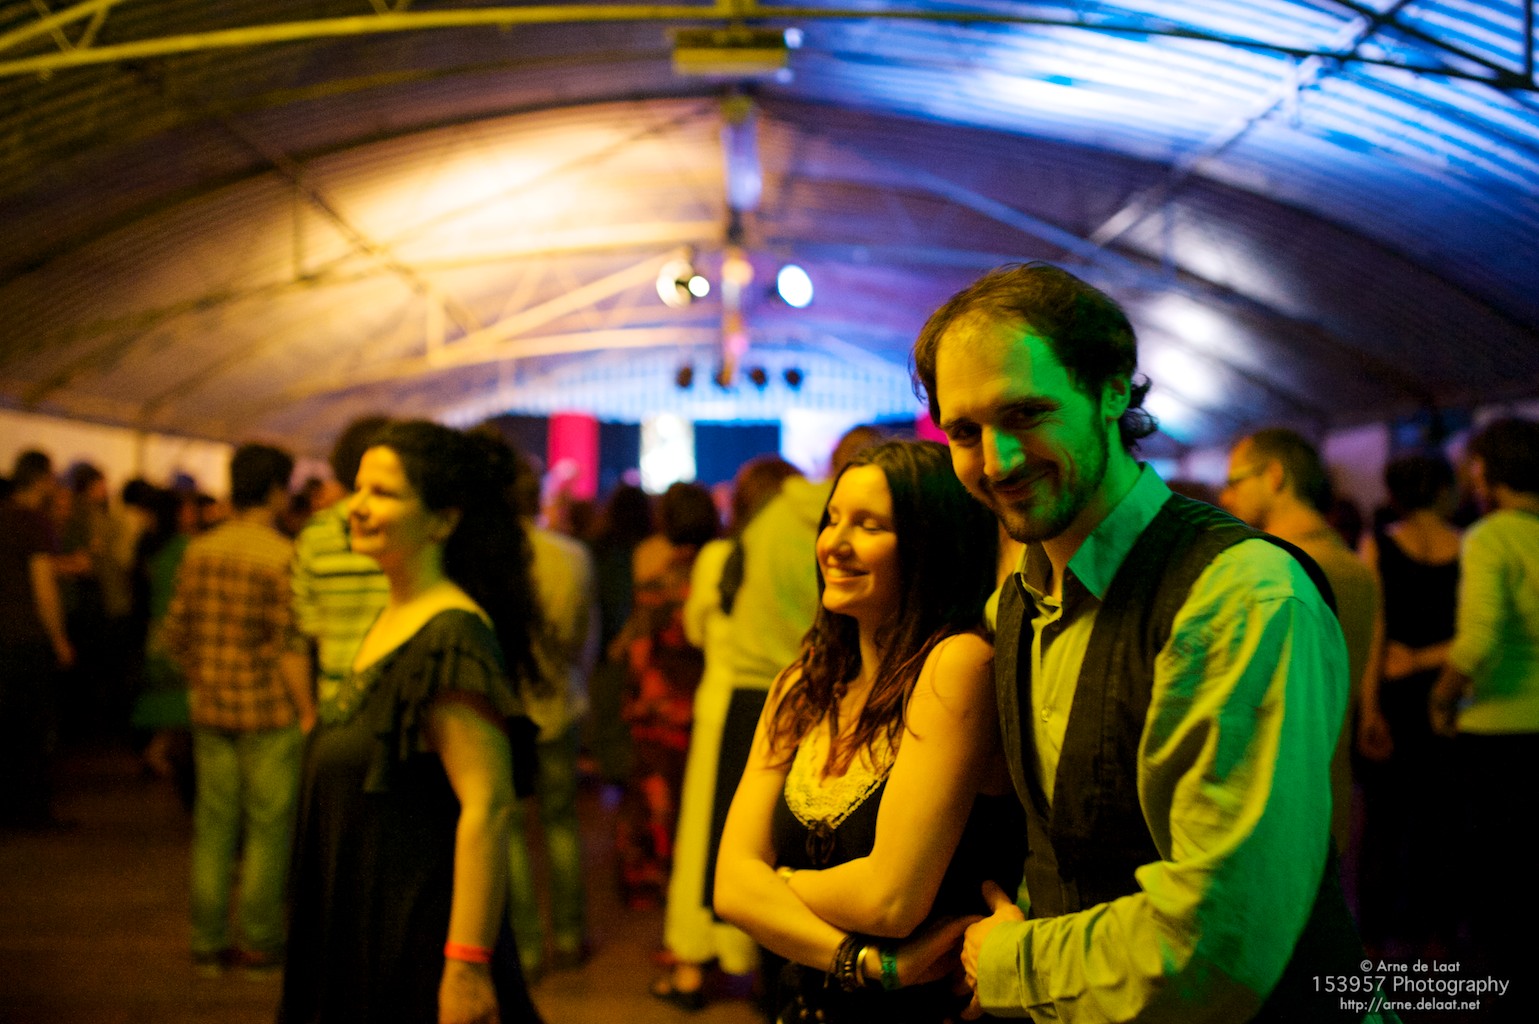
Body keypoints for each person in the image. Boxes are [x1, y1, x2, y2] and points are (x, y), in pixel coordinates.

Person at [913, 262, 1374, 1022]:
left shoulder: (1240, 594)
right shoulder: (1016, 603)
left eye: (1026, 414)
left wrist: (1008, 962)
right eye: (966, 432)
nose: (996, 462)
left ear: (1111, 391)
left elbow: (1218, 944)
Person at [715, 439, 1023, 1024]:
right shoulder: (802, 684)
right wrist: (866, 963)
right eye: (832, 519)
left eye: (869, 525)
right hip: (806, 1004)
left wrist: (772, 885)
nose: (834, 543)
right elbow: (728, 885)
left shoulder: (957, 664)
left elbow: (891, 900)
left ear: (932, 544)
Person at [280, 421, 543, 1024]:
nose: (357, 506)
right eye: (358, 488)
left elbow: (488, 806)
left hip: (412, 941)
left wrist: (466, 966)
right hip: (362, 927)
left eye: (383, 493)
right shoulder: (395, 616)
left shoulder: (451, 635)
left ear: (442, 521)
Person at [653, 454, 800, 1009]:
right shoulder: (798, 548)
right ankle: (762, 968)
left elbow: (695, 630)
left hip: (723, 705)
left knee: (705, 838)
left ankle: (694, 963)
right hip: (788, 703)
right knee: (769, 840)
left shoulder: (720, 555)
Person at [161, 443, 313, 976]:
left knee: (213, 825)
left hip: (210, 707)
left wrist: (201, 675)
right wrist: (307, 708)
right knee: (268, 828)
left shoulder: (199, 551)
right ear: (275, 490)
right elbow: (289, 643)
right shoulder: (282, 555)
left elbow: (175, 632)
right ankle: (260, 939)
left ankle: (207, 941)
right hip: (269, 711)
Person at [1220, 427, 1380, 855]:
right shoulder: (1354, 567)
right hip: (1330, 794)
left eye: (1235, 481)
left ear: (1274, 476)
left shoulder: (1265, 568)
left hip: (1267, 810)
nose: (1226, 497)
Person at [1430, 417, 1539, 1021]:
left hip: (1498, 734)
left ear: (1488, 471)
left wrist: (1442, 698)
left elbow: (1478, 640)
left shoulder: (1491, 536)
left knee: (1498, 892)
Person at [1354, 453, 1461, 956]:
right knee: (1441, 816)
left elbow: (1374, 632)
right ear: (1441, 489)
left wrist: (1368, 709)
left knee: (1384, 818)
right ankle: (1435, 928)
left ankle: (1374, 932)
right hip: (1450, 693)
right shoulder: (1468, 545)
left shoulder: (1378, 545)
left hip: (1394, 694)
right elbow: (1473, 633)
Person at [503, 441, 598, 978]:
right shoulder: (572, 555)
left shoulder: (489, 559)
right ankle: (569, 935)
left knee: (512, 827)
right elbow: (585, 637)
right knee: (562, 822)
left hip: (507, 709)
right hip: (560, 700)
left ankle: (527, 947)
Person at [612, 481, 719, 909]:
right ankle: (696, 887)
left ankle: (654, 882)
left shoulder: (657, 581)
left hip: (659, 712)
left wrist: (633, 701)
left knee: (657, 799)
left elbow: (639, 651)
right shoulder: (724, 577)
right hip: (705, 707)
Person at [290, 415, 391, 710]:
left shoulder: (315, 533)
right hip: (400, 696)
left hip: (336, 698)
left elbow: (302, 629)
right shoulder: (406, 528)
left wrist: (307, 714)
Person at [0, 450, 74, 828]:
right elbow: (43, 586)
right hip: (26, 637)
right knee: (33, 728)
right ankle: (33, 811)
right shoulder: (34, 523)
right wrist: (58, 637)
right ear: (42, 479)